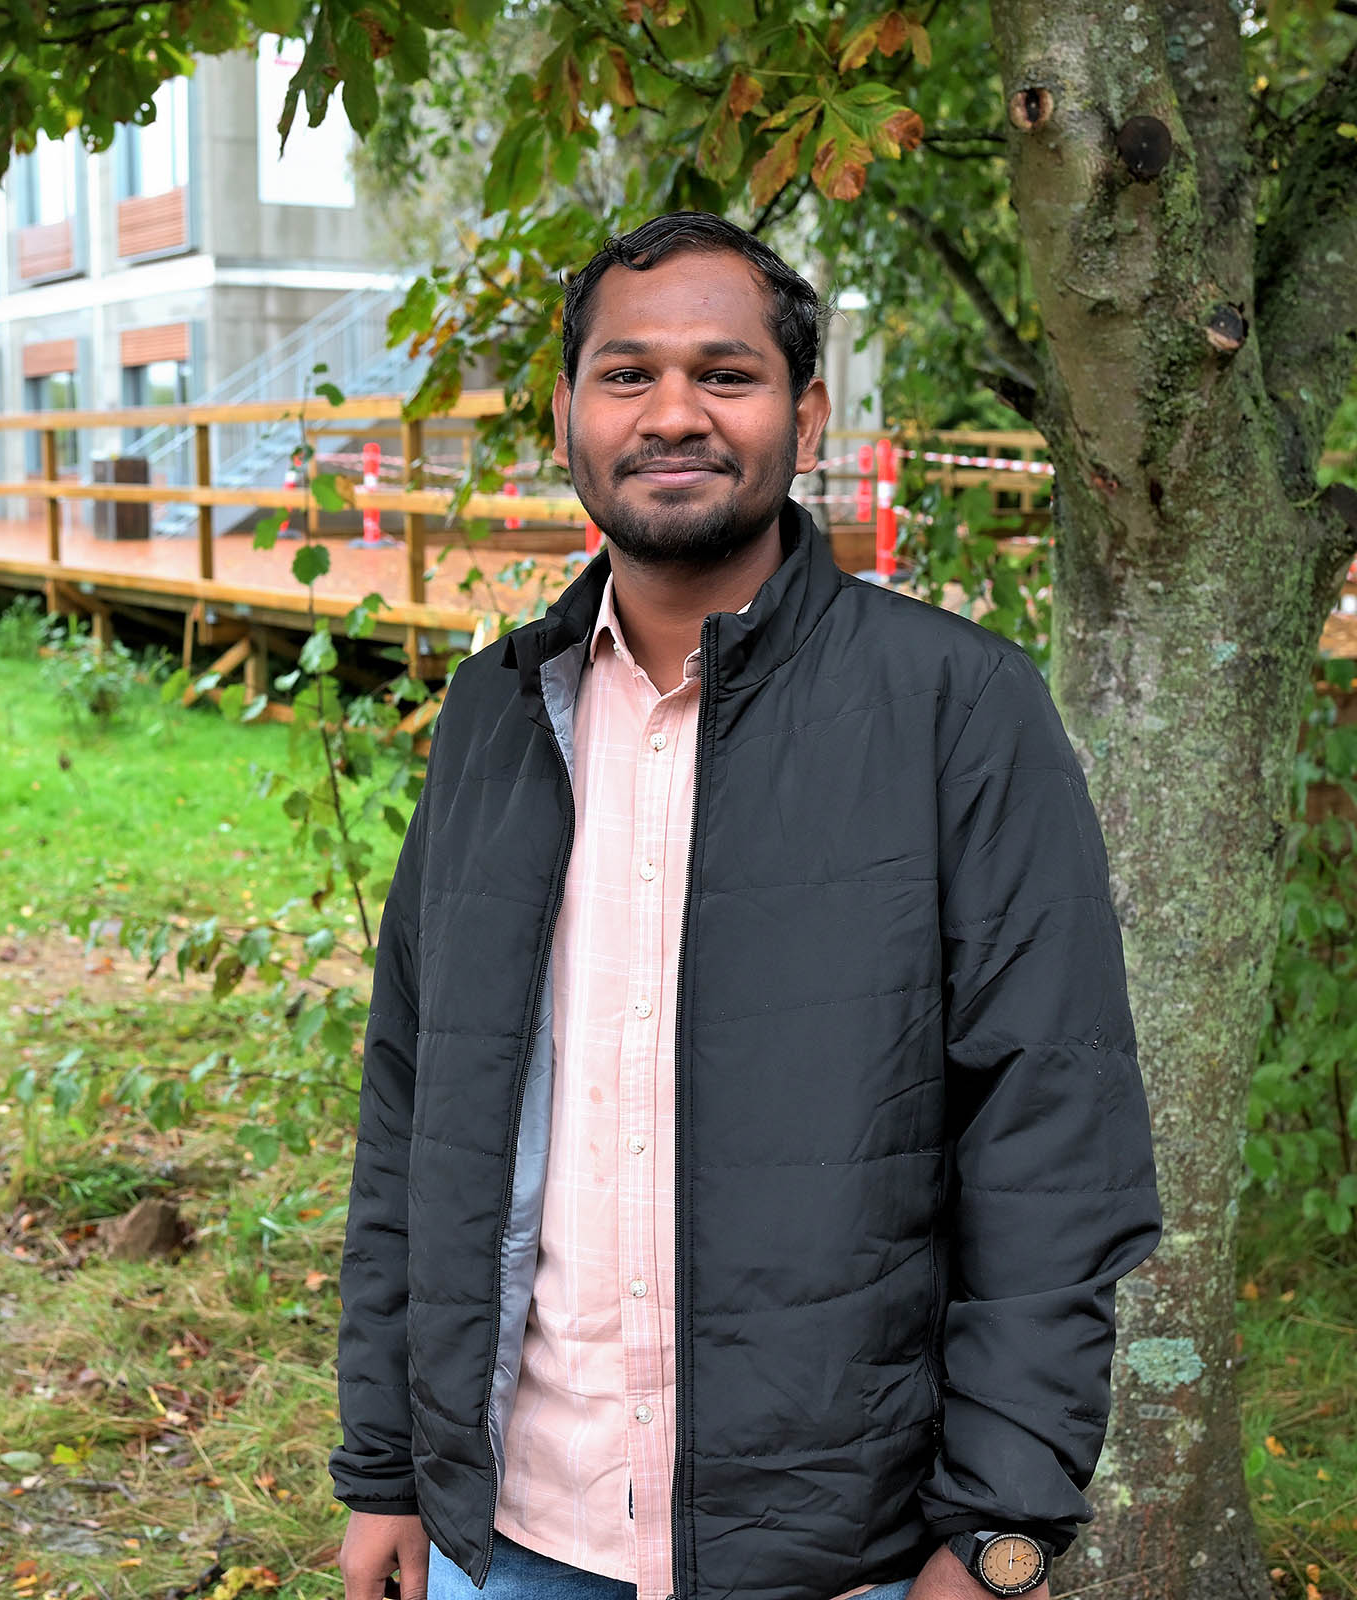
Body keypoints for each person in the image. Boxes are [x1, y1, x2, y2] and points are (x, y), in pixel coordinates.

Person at [329, 212, 1161, 1600]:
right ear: (566, 416)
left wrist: (995, 1539)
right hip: (517, 1536)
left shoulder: (955, 710)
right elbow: (414, 1110)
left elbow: (1052, 1142)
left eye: (726, 374)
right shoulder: (493, 716)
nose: (673, 415)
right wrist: (384, 1474)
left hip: (846, 1556)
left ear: (806, 414)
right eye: (626, 373)